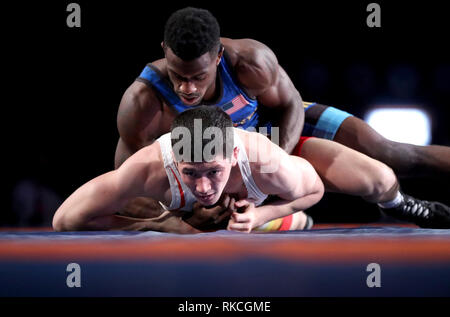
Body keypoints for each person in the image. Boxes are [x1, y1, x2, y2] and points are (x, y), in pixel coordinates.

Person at [114, 7, 450, 230]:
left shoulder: (250, 62)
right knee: (207, 217)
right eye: (177, 76)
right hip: (212, 161)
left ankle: (394, 201)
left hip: (268, 128)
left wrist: (275, 170)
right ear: (163, 51)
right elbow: (131, 178)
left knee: (390, 153)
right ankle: (282, 219)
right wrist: (184, 214)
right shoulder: (143, 100)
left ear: (218, 57)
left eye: (198, 77)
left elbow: (290, 106)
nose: (186, 88)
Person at [52, 106, 325, 233]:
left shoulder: (264, 160)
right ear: (173, 158)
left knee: (368, 182)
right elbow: (65, 220)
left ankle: (291, 221)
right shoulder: (148, 167)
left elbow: (315, 190)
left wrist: (263, 213)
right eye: (191, 173)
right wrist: (152, 225)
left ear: (234, 155)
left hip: (248, 212)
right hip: (177, 214)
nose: (203, 188)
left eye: (214, 172)